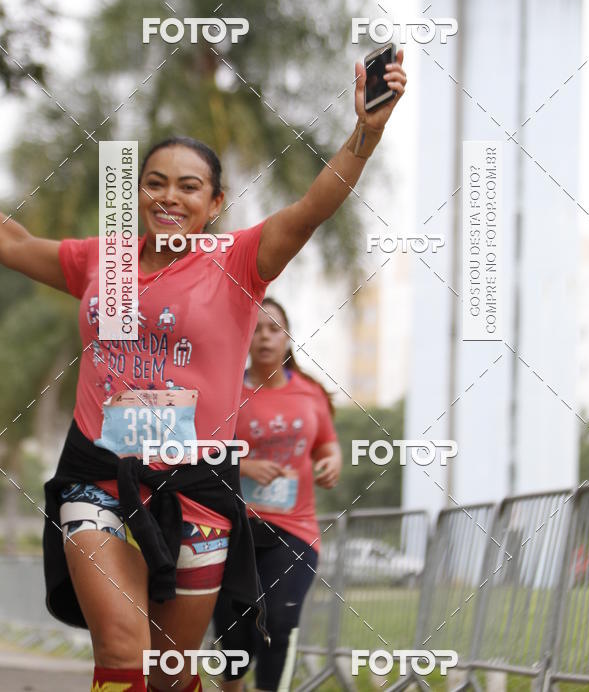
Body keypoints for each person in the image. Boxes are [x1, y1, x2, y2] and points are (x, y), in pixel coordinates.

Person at [0, 51, 406, 692]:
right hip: (98, 474)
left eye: (188, 186)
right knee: (121, 645)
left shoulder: (239, 259)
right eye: (154, 181)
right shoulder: (101, 260)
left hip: (198, 485)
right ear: (136, 192)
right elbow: (15, 243)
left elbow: (311, 208)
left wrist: (367, 133)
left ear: (214, 203)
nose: (168, 196)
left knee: (168, 669)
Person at [212, 297, 341, 692]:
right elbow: (200, 452)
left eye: (275, 329)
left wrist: (331, 462)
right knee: (234, 638)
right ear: (244, 338)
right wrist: (243, 467)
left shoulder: (311, 394)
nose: (265, 337)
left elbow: (327, 445)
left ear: (288, 338)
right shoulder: (226, 390)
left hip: (294, 530)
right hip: (234, 531)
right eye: (257, 329)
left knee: (279, 623)